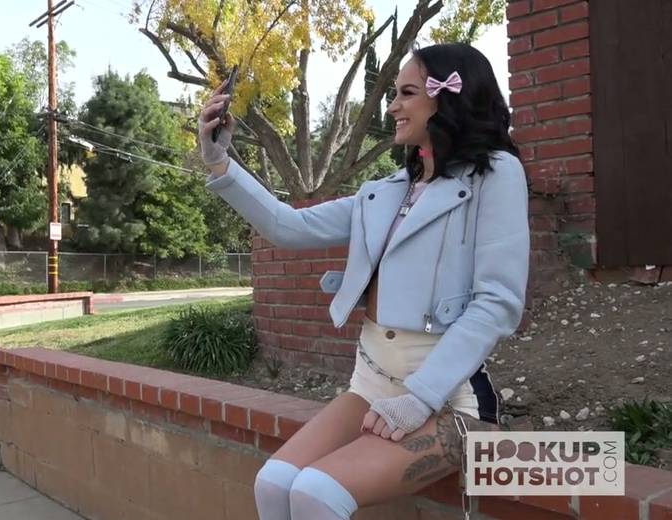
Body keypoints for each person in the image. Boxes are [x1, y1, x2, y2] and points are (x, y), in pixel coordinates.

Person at [197, 43, 529, 520]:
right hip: (371, 384)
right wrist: (220, 162)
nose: (392, 107)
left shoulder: (495, 174)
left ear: (447, 97)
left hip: (449, 396)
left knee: (316, 494)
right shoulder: (385, 192)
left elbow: (497, 302)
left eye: (407, 93)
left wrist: (420, 397)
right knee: (273, 483)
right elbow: (289, 227)